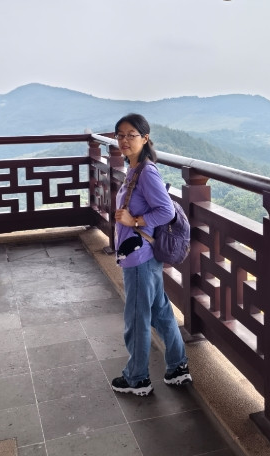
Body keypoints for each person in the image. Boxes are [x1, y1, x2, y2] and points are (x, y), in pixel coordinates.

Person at [110, 112, 192, 396]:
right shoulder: (135, 169)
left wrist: (134, 221)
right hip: (144, 255)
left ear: (145, 138)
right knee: (160, 310)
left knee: (137, 317)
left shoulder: (146, 172)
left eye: (131, 135)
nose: (124, 140)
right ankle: (177, 368)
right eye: (120, 135)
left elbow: (166, 211)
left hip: (140, 257)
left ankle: (137, 379)